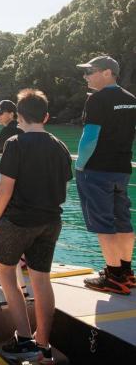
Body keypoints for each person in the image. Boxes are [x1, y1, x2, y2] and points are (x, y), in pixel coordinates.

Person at [0, 89, 72, 364]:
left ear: (19, 117)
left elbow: (5, 189)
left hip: (17, 221)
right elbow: (64, 186)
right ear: (46, 116)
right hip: (50, 221)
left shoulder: (15, 143)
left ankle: (23, 338)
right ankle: (43, 344)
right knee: (41, 279)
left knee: (7, 275)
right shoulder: (60, 146)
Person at [74, 56, 136, 295]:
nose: (86, 76)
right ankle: (126, 272)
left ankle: (113, 276)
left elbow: (90, 138)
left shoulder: (97, 100)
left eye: (90, 71)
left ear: (108, 72)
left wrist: (80, 166)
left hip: (97, 170)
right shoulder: (131, 100)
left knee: (103, 223)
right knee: (122, 219)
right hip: (121, 170)